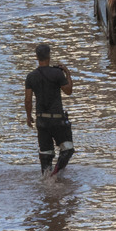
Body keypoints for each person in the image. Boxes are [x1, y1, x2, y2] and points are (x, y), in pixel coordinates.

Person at [23, 43, 75, 176]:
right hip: (57, 119)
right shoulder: (57, 73)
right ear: (49, 56)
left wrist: (28, 117)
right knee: (67, 149)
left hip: (41, 120)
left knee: (45, 154)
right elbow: (68, 91)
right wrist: (68, 73)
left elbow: (28, 100)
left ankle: (47, 179)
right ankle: (56, 174)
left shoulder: (31, 76)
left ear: (36, 57)